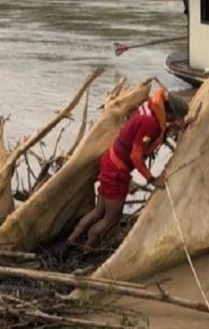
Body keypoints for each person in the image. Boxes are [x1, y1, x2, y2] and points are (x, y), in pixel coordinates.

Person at [65, 87, 189, 252]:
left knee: (98, 211)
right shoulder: (150, 124)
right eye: (176, 117)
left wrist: (181, 124)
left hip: (110, 161)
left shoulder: (152, 108)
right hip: (117, 172)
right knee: (111, 218)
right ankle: (86, 250)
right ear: (170, 113)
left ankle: (70, 243)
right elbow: (136, 157)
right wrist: (152, 179)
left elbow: (162, 126)